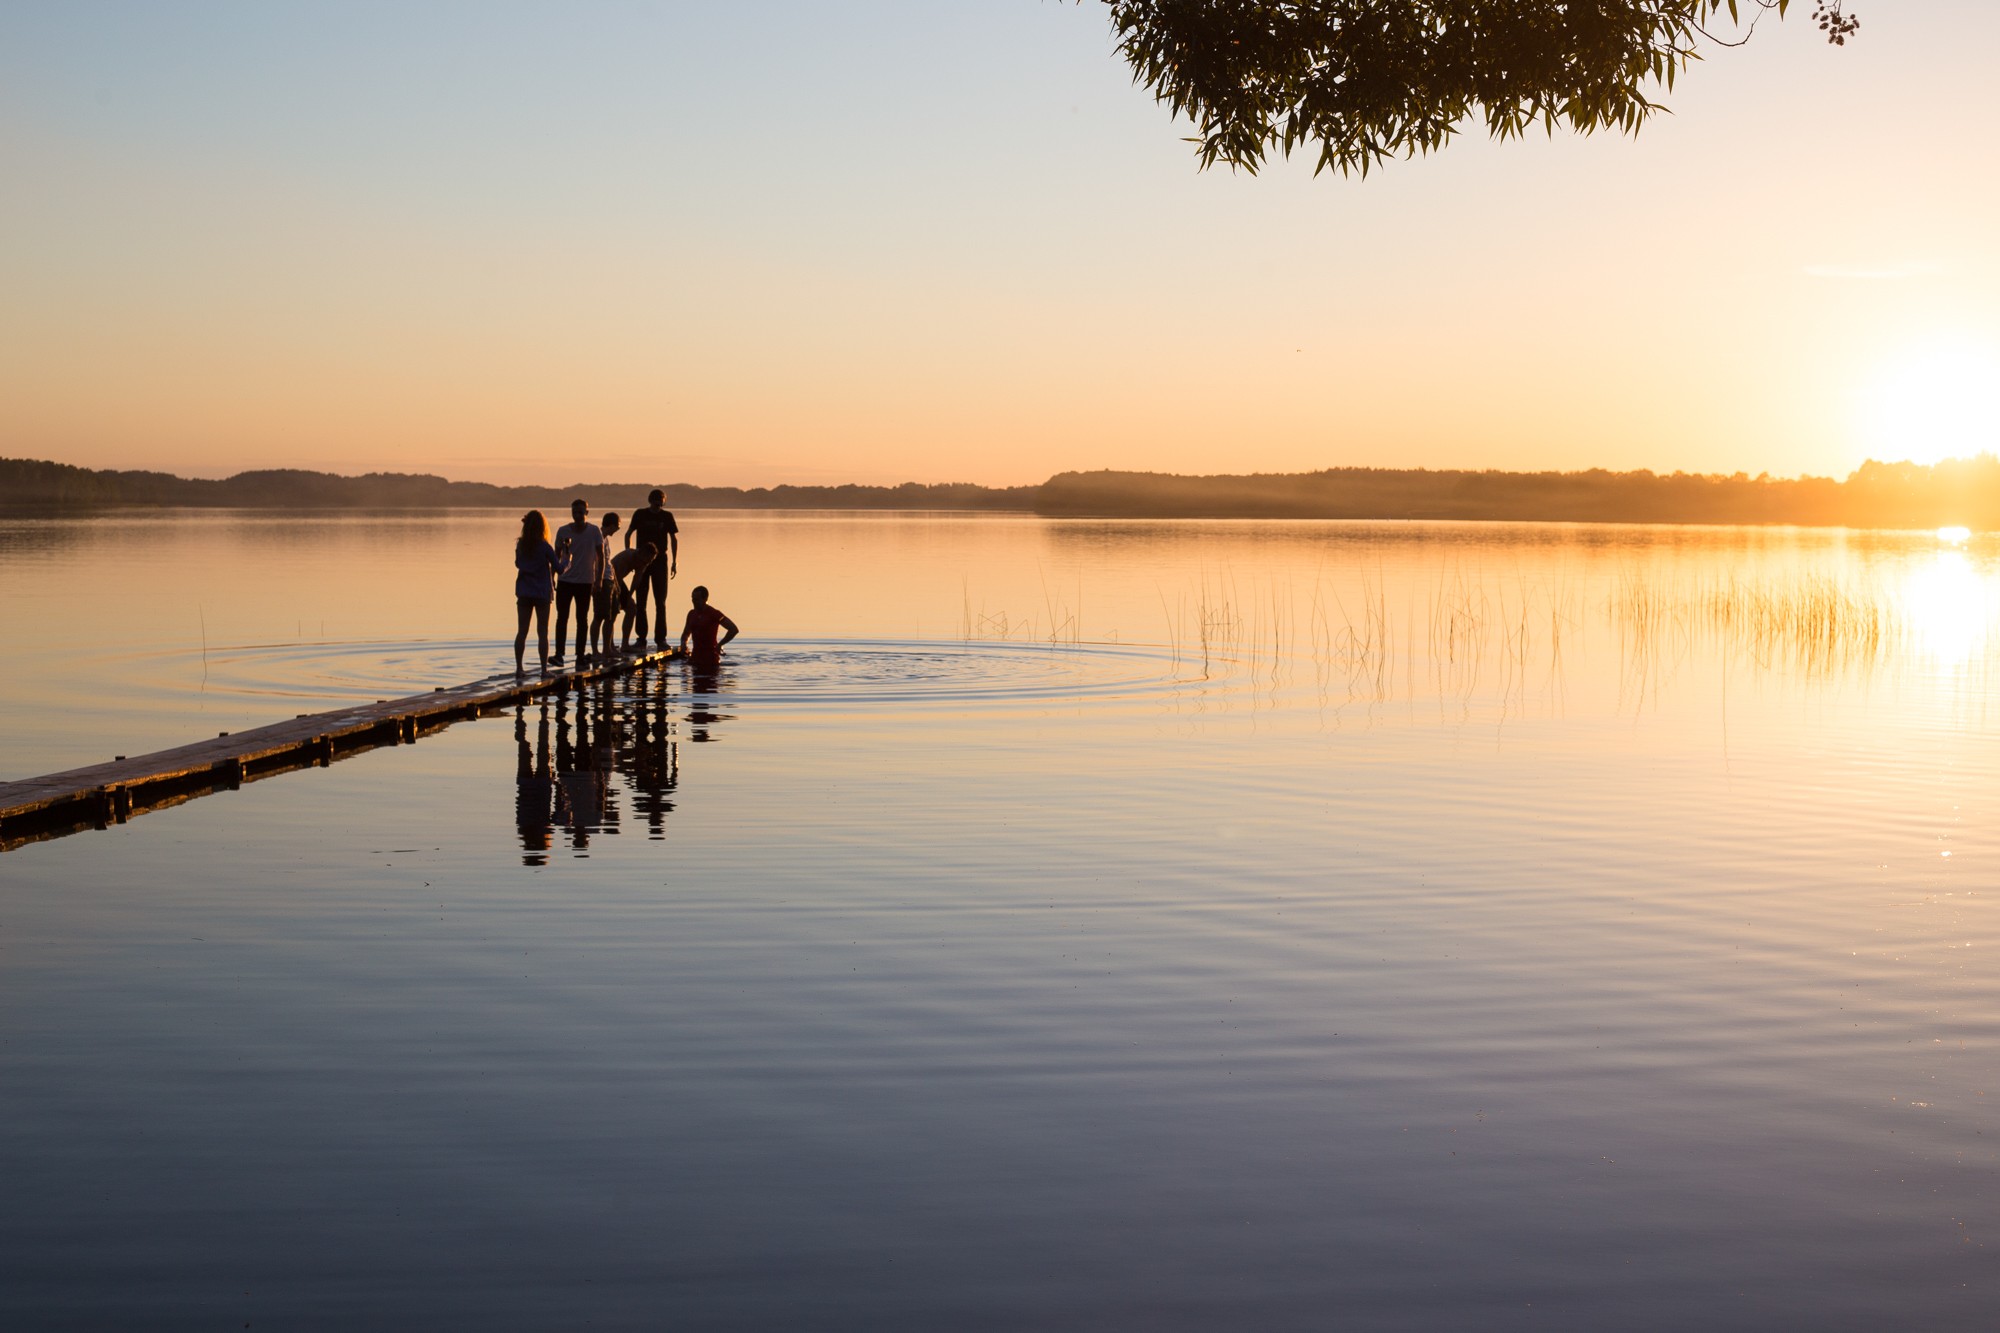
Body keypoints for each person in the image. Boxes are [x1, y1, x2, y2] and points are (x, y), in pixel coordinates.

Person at [551, 498, 606, 667]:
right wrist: (551, 577)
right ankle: (559, 654)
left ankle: (580, 655)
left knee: (581, 619)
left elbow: (601, 557)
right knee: (562, 618)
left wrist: (599, 579)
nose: (577, 515)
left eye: (581, 512)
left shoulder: (594, 531)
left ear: (586, 513)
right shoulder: (563, 531)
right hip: (565, 581)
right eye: (574, 512)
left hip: (585, 582)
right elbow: (556, 556)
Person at [626, 489, 679, 651]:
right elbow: (628, 534)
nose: (658, 502)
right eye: (655, 499)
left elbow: (673, 538)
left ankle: (660, 639)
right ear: (650, 500)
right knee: (641, 601)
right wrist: (630, 556)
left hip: (661, 560)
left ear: (664, 501)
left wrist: (675, 562)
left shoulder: (667, 516)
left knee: (660, 602)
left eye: (661, 499)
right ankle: (641, 639)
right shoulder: (640, 514)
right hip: (642, 559)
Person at [513, 510, 558, 675]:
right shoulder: (545, 546)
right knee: (543, 632)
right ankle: (544, 669)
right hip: (541, 593)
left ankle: (519, 668)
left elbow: (518, 564)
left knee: (522, 631)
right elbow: (559, 568)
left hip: (524, 591)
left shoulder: (521, 544)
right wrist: (568, 558)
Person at [603, 540, 657, 657]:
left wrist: (629, 596)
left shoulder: (644, 562)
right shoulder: (628, 557)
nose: (649, 562)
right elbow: (617, 577)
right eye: (649, 559)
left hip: (619, 581)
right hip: (610, 580)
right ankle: (609, 646)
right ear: (643, 553)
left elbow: (637, 579)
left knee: (632, 609)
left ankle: (625, 644)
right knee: (613, 613)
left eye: (651, 560)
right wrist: (617, 598)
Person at [589, 512, 624, 662]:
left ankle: (608, 648)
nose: (617, 530)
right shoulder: (597, 539)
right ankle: (596, 650)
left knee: (612, 615)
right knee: (599, 616)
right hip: (601, 580)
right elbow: (593, 563)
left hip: (610, 580)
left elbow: (608, 562)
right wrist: (597, 581)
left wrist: (616, 582)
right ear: (611, 525)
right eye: (617, 527)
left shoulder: (606, 540)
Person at [678, 585, 739, 667]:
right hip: (694, 659)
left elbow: (733, 629)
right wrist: (683, 644)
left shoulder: (714, 613)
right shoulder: (691, 614)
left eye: (696, 599)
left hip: (711, 660)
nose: (693, 601)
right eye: (692, 598)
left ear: (705, 599)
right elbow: (686, 633)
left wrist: (720, 644)